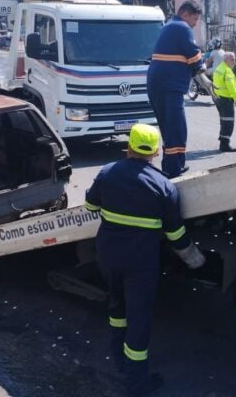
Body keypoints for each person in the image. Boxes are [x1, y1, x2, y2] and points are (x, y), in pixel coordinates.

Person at [85, 123, 205, 397]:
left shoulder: (107, 173)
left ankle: (119, 360)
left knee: (117, 308)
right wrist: (196, 260)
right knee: (139, 322)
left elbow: (91, 205)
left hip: (108, 256)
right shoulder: (164, 186)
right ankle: (136, 384)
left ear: (128, 148)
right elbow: (175, 233)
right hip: (140, 265)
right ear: (154, 153)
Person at [146, 0, 204, 178]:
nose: (194, 25)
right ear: (185, 14)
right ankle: (173, 170)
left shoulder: (168, 26)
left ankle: (173, 165)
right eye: (194, 20)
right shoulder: (181, 27)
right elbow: (194, 55)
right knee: (177, 129)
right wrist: (202, 71)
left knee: (169, 128)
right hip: (169, 87)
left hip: (159, 86)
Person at [212, 52, 236, 152]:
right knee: (228, 122)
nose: (234, 62)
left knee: (223, 121)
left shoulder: (219, 68)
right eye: (232, 60)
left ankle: (222, 139)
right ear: (226, 60)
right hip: (226, 99)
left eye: (234, 59)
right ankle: (224, 145)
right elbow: (231, 86)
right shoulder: (227, 71)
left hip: (218, 98)